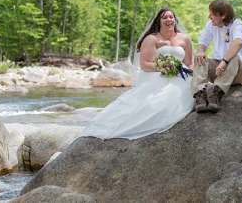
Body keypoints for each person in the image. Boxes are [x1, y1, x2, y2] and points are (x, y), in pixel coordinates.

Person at [81, 8, 194, 140]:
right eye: (164, 17)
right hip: (157, 75)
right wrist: (167, 67)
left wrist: (188, 72)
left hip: (182, 76)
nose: (169, 20)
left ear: (175, 20)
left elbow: (189, 63)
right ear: (159, 21)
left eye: (171, 17)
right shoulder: (151, 39)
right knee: (150, 104)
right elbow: (145, 64)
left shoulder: (184, 39)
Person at [191, 0, 242, 113]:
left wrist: (224, 61)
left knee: (234, 56)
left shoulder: (237, 24)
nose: (209, 16)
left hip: (238, 71)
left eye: (212, 14)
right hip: (218, 69)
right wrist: (201, 51)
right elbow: (202, 42)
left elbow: (238, 42)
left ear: (223, 15)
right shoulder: (211, 25)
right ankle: (200, 94)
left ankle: (216, 92)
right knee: (199, 58)